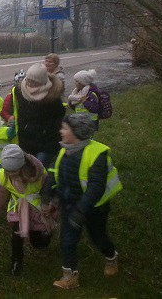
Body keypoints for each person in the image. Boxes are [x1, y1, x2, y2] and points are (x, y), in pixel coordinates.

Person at [46, 113, 122, 289]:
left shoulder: (97, 154)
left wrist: (80, 212)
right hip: (69, 205)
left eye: (65, 128)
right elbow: (53, 174)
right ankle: (69, 277)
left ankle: (111, 256)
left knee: (98, 237)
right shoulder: (64, 150)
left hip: (95, 208)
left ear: (77, 133)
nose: (61, 131)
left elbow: (96, 187)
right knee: (67, 240)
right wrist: (50, 197)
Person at [0, 144, 56, 276]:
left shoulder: (38, 172)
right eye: (7, 170)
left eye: (14, 171)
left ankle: (44, 239)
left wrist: (50, 204)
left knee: (36, 240)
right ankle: (16, 261)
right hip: (18, 208)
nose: (11, 174)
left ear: (22, 166)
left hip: (37, 209)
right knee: (16, 235)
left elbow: (50, 190)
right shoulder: (4, 176)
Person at [13, 63, 65, 167]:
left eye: (33, 81)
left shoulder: (52, 99)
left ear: (41, 81)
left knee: (40, 173)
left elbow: (57, 124)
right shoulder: (21, 92)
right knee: (27, 172)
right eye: (28, 79)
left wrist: (49, 142)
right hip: (26, 141)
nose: (29, 83)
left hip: (45, 145)